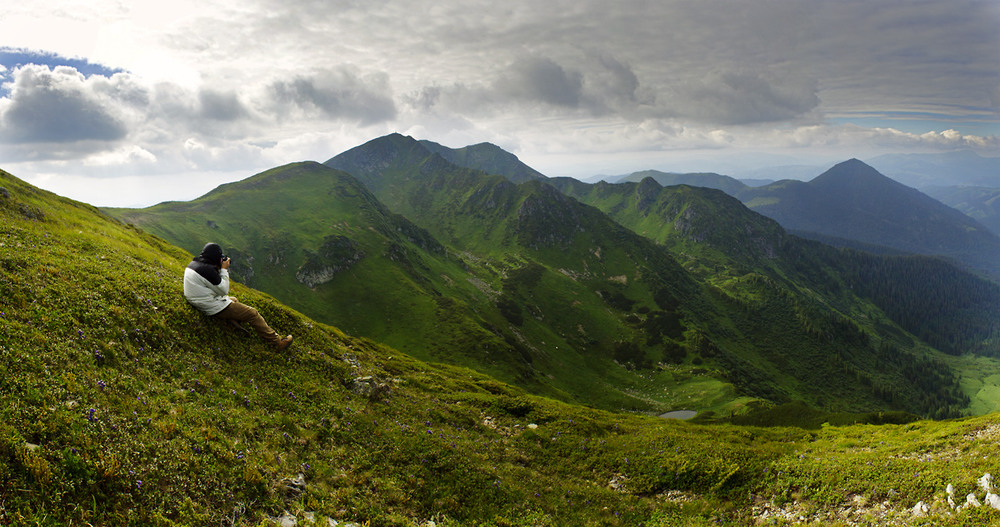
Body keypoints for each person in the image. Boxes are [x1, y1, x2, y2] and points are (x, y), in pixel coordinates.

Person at [183, 242, 293, 351]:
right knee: (252, 313)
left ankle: (233, 321)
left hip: (197, 299)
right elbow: (224, 290)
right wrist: (224, 269)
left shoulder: (194, 264)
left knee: (234, 300)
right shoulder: (207, 271)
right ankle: (277, 342)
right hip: (209, 306)